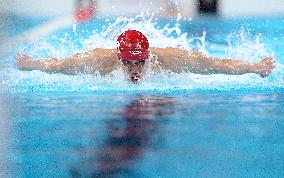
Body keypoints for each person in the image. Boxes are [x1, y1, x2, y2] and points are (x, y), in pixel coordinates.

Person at [16, 30, 276, 84]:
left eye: (139, 60)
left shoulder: (173, 60)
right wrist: (31, 65)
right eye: (127, 62)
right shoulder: (98, 61)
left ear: (148, 56)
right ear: (118, 58)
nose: (133, 68)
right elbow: (60, 65)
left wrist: (254, 67)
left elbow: (218, 65)